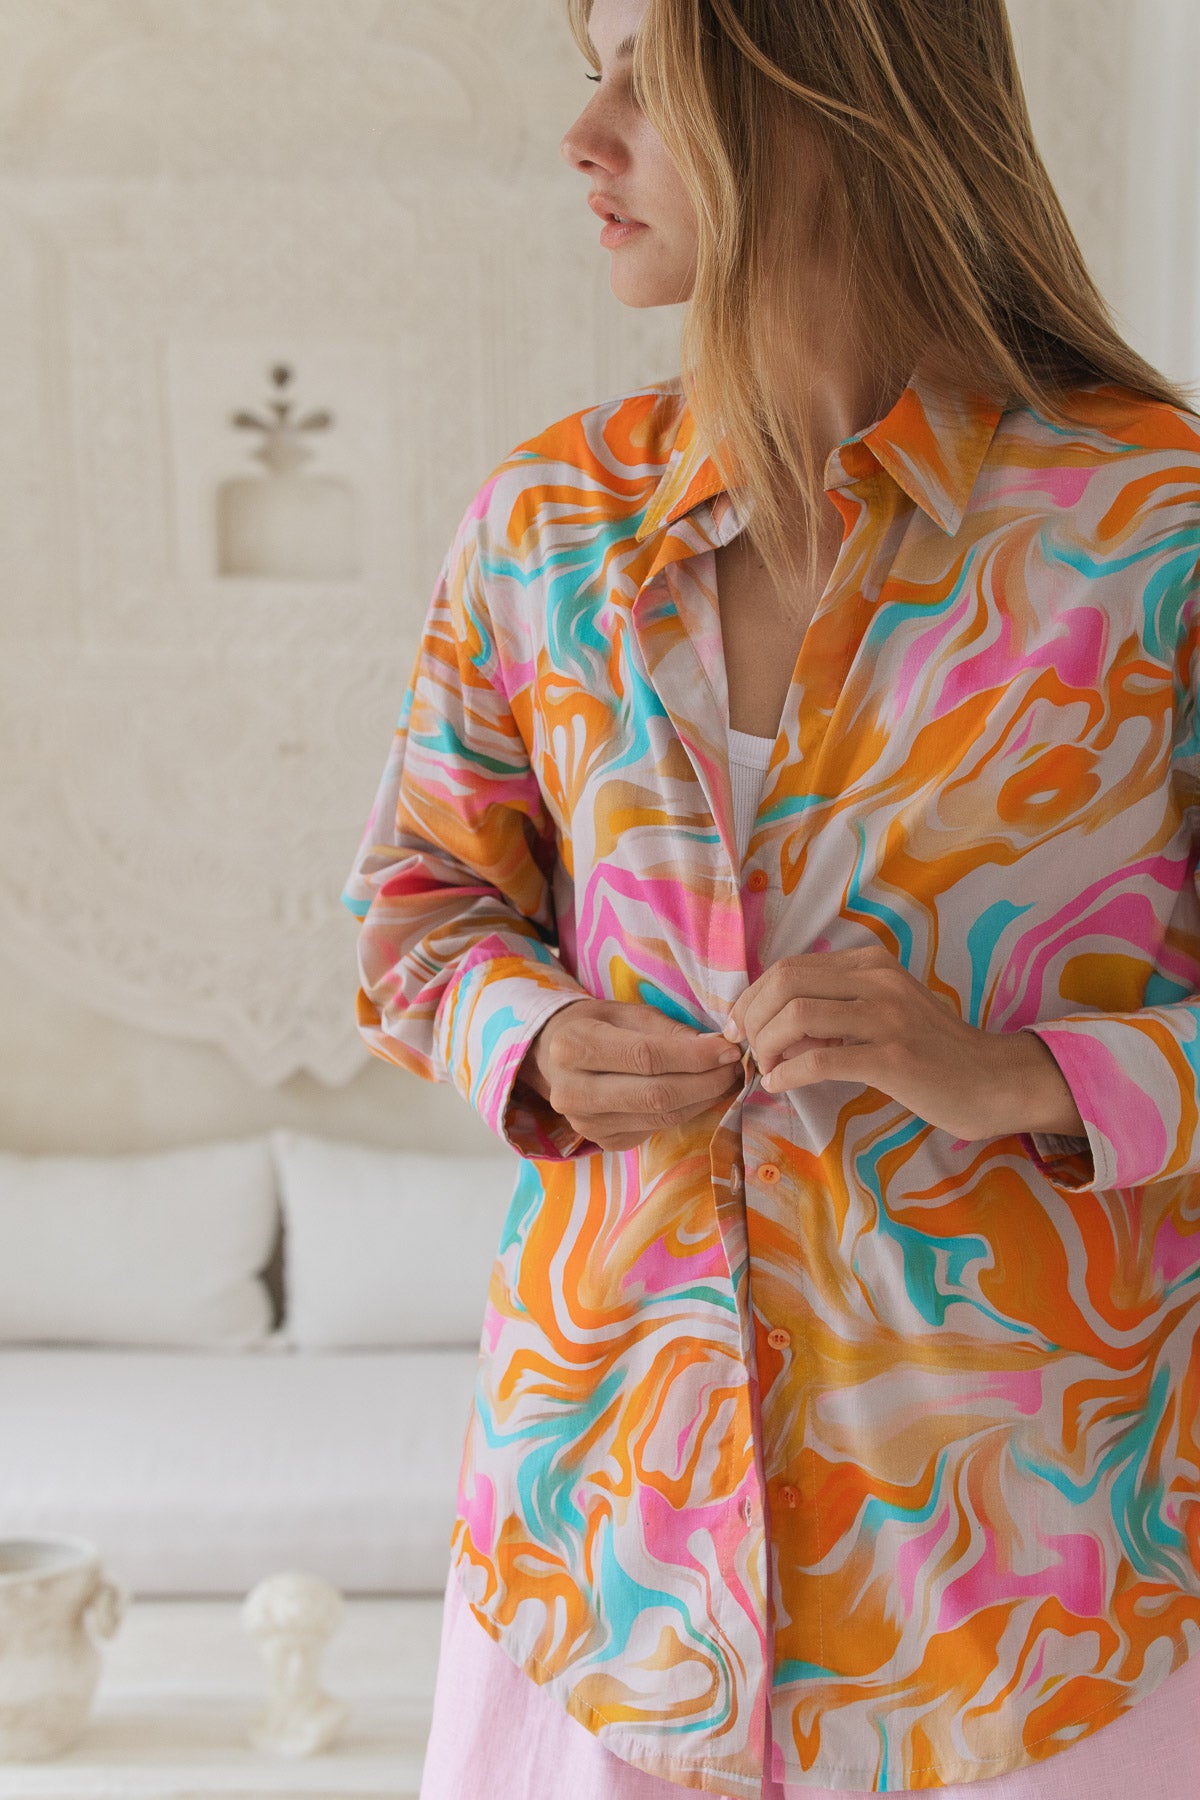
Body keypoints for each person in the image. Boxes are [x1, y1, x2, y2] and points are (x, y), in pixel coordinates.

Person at [341, 0, 1200, 1792]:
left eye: (650, 69)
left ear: (835, 79)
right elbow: (418, 912)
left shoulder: (1154, 534)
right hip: (600, 1576)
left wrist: (1027, 1077)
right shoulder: (543, 529)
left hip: (1041, 1613)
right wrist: (539, 1040)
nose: (585, 134)